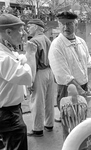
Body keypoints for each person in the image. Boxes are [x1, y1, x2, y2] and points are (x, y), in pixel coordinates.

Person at [48, 11, 91, 137]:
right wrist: (82, 92)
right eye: (62, 24)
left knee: (82, 125)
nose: (66, 27)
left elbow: (88, 63)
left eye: (69, 23)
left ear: (76, 24)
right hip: (67, 90)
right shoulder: (56, 45)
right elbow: (63, 76)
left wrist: (87, 85)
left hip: (83, 87)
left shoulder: (81, 42)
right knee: (70, 126)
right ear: (58, 24)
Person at [0, 13, 37, 150]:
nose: (23, 34)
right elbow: (28, 77)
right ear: (8, 32)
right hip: (8, 114)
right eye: (20, 30)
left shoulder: (6, 51)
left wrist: (23, 59)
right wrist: (31, 54)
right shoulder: (3, 57)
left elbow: (17, 58)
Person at [26, 19, 56, 137]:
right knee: (49, 100)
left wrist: (30, 83)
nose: (28, 29)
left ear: (36, 27)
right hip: (50, 71)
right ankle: (49, 124)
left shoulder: (33, 41)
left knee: (37, 101)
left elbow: (32, 64)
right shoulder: (48, 39)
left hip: (39, 72)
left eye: (30, 26)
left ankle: (37, 129)